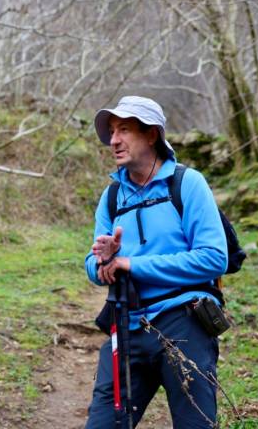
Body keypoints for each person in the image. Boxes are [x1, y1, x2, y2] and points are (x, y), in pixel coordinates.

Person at [83, 96, 227, 428]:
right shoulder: (112, 196)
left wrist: (131, 264)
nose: (114, 140)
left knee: (196, 424)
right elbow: (93, 264)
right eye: (111, 132)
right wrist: (102, 262)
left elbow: (213, 258)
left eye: (124, 130)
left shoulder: (187, 183)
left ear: (151, 135)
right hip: (127, 325)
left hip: (184, 321)